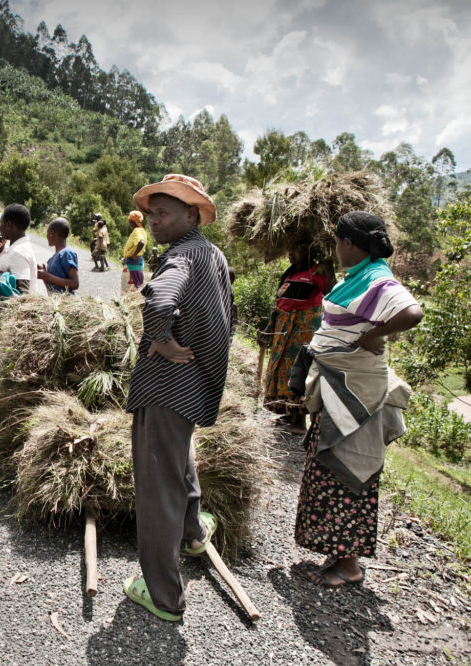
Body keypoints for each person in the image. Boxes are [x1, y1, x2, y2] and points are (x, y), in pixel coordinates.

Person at [120, 174, 233, 622]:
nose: (155, 220)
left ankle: (163, 595)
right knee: (177, 463)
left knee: (156, 489)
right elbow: (229, 314)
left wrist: (161, 340)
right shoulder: (212, 253)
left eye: (163, 213)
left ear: (192, 215)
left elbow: (159, 303)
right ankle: (193, 529)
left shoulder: (181, 257)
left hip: (165, 387)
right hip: (192, 387)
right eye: (152, 213)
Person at [293, 211, 422, 587]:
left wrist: (372, 335)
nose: (335, 250)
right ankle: (339, 555)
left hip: (356, 395)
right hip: (338, 387)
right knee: (330, 467)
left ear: (349, 243)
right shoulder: (359, 278)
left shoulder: (379, 279)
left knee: (346, 470)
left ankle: (349, 566)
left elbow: (411, 312)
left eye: (337, 243)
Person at [261, 246, 335, 430]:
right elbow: (281, 303)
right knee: (281, 371)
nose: (292, 254)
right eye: (291, 251)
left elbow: (332, 294)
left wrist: (329, 269)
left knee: (298, 370)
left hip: (301, 331)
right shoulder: (290, 274)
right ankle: (287, 414)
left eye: (298, 250)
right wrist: (268, 328)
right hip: (283, 330)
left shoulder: (317, 271)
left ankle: (299, 419)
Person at [0, 203, 45, 296]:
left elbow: (21, 296)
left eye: (1, 223)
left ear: (9, 225)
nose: (0, 228)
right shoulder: (15, 248)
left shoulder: (19, 252)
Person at [37, 217, 79, 294]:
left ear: (52, 233)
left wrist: (46, 276)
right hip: (56, 302)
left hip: (67, 302)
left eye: (47, 233)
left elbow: (75, 283)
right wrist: (44, 274)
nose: (46, 236)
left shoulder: (67, 253)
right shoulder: (52, 258)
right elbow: (51, 286)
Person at [121, 211, 148, 292]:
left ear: (131, 221)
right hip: (136, 261)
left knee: (128, 287)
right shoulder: (142, 230)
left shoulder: (137, 231)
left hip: (133, 262)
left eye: (129, 220)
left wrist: (135, 255)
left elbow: (141, 242)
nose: (129, 222)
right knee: (135, 285)